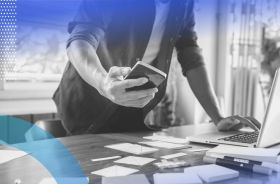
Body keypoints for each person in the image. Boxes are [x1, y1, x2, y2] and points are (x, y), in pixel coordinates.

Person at [53, 0, 257, 134]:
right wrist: (103, 83)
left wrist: (218, 118)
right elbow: (80, 40)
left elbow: (190, 55)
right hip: (84, 103)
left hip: (132, 108)